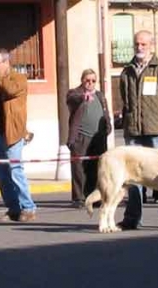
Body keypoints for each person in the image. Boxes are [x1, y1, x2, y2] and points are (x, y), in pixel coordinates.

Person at [118, 31, 158, 230]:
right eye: (137, 44)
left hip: (157, 133)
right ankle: (132, 217)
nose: (140, 47)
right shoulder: (126, 72)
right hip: (133, 133)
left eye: (144, 44)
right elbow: (126, 101)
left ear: (151, 46)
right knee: (132, 177)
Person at [0, 48, 37, 222]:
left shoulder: (18, 79)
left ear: (6, 62)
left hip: (12, 133)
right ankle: (13, 208)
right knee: (2, 174)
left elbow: (10, 90)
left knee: (15, 171)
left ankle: (28, 208)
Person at [66, 69, 111, 209]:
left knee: (97, 168)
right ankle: (79, 198)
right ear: (82, 80)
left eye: (93, 81)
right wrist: (83, 97)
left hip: (98, 137)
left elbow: (105, 112)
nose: (90, 83)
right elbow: (72, 100)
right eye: (87, 80)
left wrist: (108, 127)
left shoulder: (100, 95)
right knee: (79, 169)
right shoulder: (75, 93)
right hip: (81, 137)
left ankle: (95, 197)